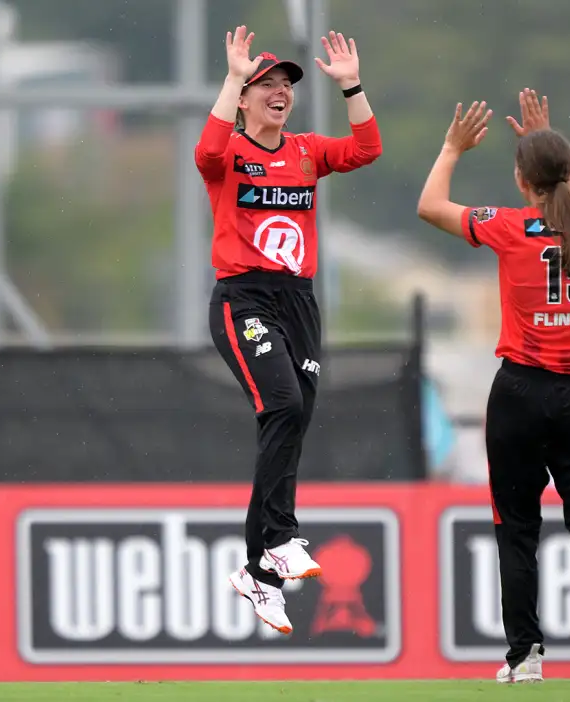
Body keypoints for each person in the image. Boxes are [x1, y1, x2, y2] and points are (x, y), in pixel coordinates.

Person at [417, 88, 570, 684]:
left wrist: (453, 147)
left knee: (517, 526)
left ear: (520, 180)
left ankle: (525, 656)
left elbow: (430, 206)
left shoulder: (511, 228)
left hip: (520, 395)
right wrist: (545, 141)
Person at [194, 26, 381, 635]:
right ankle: (280, 537)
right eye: (266, 85)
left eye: (285, 86)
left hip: (299, 301)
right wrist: (231, 77)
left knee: (291, 418)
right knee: (282, 402)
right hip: (243, 297)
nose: (279, 93)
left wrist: (351, 85)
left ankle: (260, 573)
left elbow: (366, 150)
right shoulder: (231, 156)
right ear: (245, 99)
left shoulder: (304, 150)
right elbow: (205, 154)